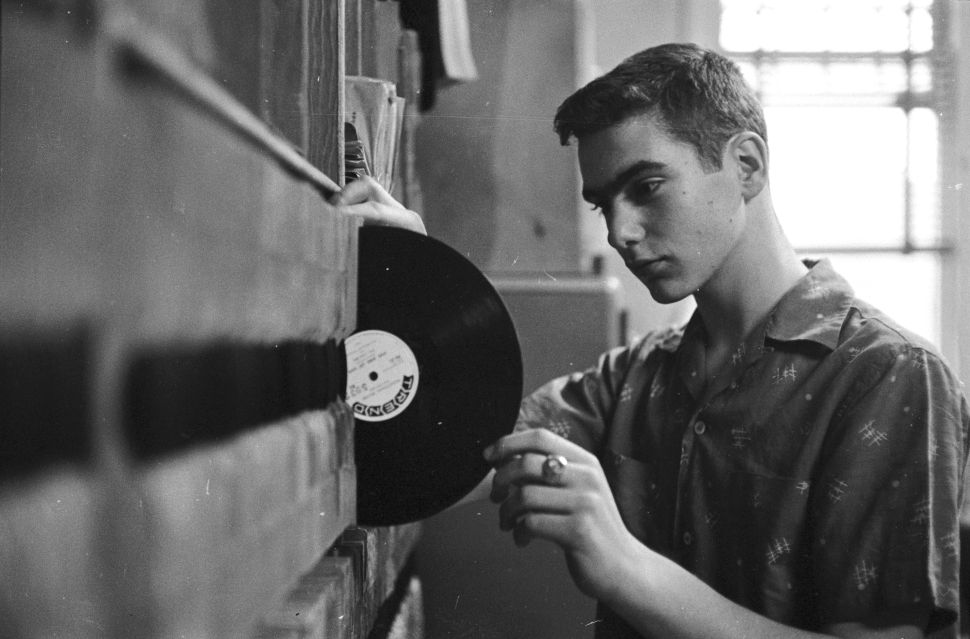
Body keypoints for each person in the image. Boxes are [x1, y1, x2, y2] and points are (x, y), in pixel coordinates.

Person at [334, 43, 969, 639]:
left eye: (647, 187)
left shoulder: (894, 376)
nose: (620, 232)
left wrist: (627, 570)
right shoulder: (639, 374)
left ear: (746, 166)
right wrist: (409, 279)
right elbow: (457, 454)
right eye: (603, 204)